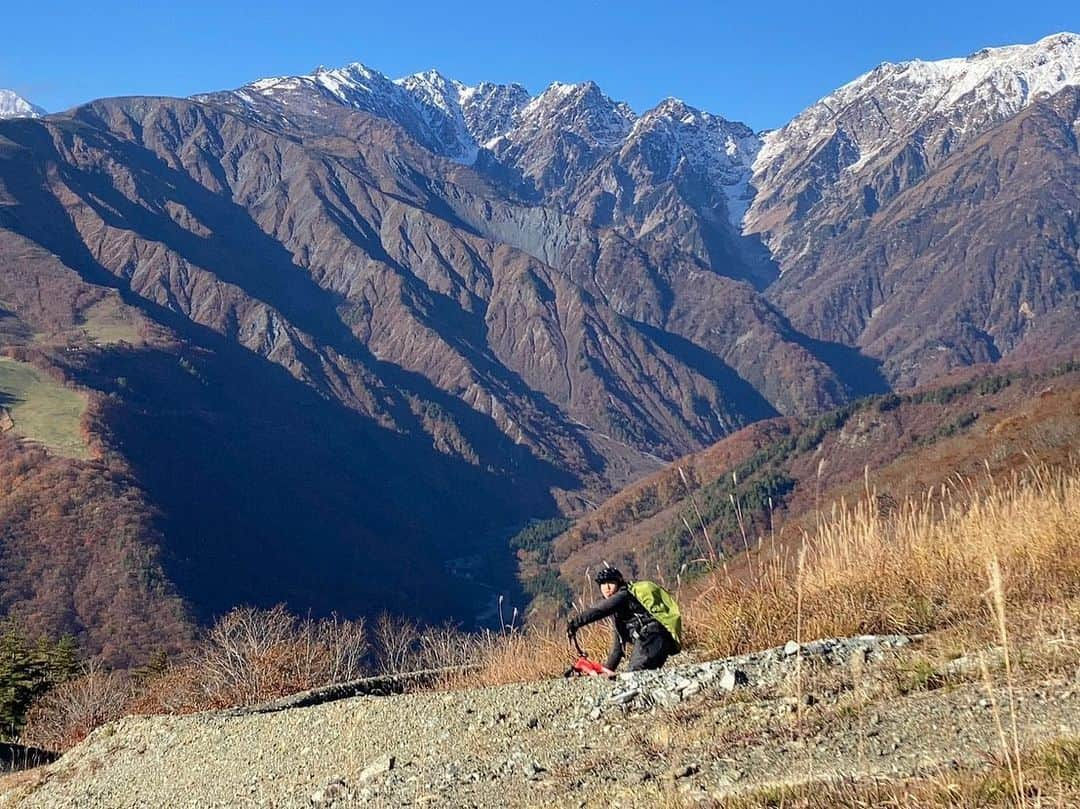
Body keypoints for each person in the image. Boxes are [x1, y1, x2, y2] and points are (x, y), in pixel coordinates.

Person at [566, 567, 679, 672]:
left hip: (651, 638)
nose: (607, 587)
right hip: (653, 642)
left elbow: (600, 610)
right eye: (603, 584)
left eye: (610, 582)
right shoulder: (618, 615)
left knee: (635, 672)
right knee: (640, 677)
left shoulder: (624, 595)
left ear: (619, 583)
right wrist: (606, 671)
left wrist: (575, 623)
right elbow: (617, 651)